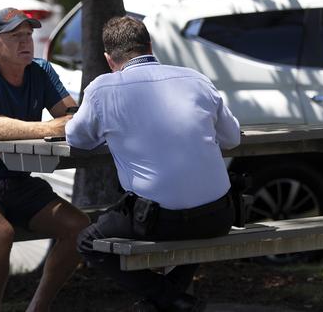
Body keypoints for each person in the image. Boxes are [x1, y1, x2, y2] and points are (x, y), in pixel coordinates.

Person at [66, 16, 241, 312]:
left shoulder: (102, 89)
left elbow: (77, 138)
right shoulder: (195, 79)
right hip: (219, 215)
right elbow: (232, 138)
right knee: (193, 214)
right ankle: (170, 297)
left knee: (87, 241)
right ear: (149, 46)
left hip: (158, 221)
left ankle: (170, 297)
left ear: (109, 59)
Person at [0, 7, 90, 312]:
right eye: (15, 36)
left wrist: (18, 132)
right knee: (0, 233)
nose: (26, 42)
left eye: (28, 35)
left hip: (19, 183)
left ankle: (37, 307)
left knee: (79, 226)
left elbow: (74, 118)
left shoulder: (41, 70)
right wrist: (47, 128)